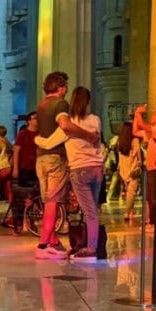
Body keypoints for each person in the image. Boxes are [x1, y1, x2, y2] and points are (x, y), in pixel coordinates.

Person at [33, 71, 100, 259]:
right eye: (65, 86)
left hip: (41, 159)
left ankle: (52, 241)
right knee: (54, 202)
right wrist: (87, 135)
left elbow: (45, 136)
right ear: (60, 87)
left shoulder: (41, 105)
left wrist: (40, 141)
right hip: (56, 158)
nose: (66, 90)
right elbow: (64, 125)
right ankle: (44, 245)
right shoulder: (61, 104)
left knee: (48, 201)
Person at [59, 87, 104, 262]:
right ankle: (89, 243)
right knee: (92, 210)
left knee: (89, 211)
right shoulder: (95, 120)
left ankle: (91, 248)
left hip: (79, 169)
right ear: (88, 101)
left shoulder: (68, 122)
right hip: (96, 168)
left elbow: (54, 139)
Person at [4, 112, 39, 231]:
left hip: (37, 168)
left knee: (35, 196)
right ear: (29, 121)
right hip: (24, 168)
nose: (37, 120)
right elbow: (17, 151)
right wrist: (15, 168)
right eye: (35, 118)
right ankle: (18, 222)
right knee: (20, 196)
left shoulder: (41, 134)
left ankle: (31, 221)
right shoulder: (23, 134)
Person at [116, 121, 143, 223]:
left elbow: (120, 156)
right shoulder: (135, 141)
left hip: (124, 169)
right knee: (132, 192)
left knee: (129, 191)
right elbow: (138, 156)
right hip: (133, 169)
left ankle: (130, 211)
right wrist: (140, 164)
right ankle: (127, 212)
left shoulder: (120, 141)